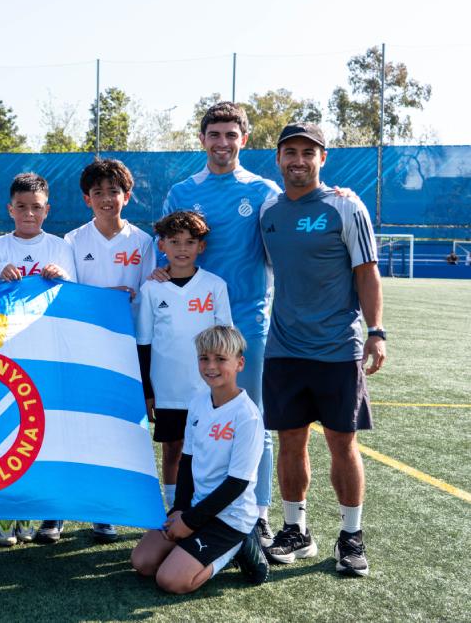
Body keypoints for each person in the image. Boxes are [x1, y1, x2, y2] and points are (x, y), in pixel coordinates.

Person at [259, 122, 385, 577]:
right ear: (278, 159)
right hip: (284, 349)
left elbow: (367, 272)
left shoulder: (345, 207)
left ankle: (351, 537)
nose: (298, 160)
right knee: (289, 441)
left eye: (307, 152)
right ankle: (297, 531)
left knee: (342, 444)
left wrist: (377, 330)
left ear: (322, 159)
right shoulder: (267, 210)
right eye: (289, 151)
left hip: (338, 348)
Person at [160, 102, 280, 544]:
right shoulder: (182, 190)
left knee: (254, 419)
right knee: (194, 422)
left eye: (232, 135)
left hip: (247, 322)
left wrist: (340, 194)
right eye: (216, 134)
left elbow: (288, 221)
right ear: (202, 139)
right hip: (193, 325)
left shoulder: (264, 190)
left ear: (243, 140)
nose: (223, 142)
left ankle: (259, 515)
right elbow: (167, 251)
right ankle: (188, 508)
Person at [57, 158, 154, 545]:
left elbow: (149, 295)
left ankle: (106, 512)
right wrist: (104, 300)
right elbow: (69, 296)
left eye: (113, 191)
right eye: (97, 192)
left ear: (126, 196)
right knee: (75, 427)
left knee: (118, 432)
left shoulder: (143, 241)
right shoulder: (73, 241)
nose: (105, 198)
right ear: (87, 198)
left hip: (127, 352)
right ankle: (60, 511)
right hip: (83, 349)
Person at [130, 325, 268, 593]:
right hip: (194, 508)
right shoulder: (198, 403)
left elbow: (236, 484)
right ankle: (192, 548)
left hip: (229, 517)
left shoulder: (247, 416)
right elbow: (187, 462)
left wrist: (190, 522)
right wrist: (181, 508)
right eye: (204, 358)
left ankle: (240, 545)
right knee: (142, 562)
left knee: (170, 580)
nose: (211, 366)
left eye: (220, 359)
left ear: (239, 363)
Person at [0, 172, 75, 547]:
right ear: (10, 209)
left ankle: (50, 514)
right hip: (8, 356)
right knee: (11, 435)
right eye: (21, 207)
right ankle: (10, 514)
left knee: (50, 433)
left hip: (49, 353)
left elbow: (76, 298)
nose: (28, 213)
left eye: (36, 207)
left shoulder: (60, 247)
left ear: (47, 210)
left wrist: (62, 278)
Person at [137, 210, 231, 511]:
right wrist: (148, 392)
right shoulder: (152, 288)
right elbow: (144, 343)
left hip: (206, 390)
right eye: (174, 242)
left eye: (190, 242)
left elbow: (226, 341)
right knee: (173, 448)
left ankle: (202, 506)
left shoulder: (214, 285)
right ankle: (173, 507)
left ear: (201, 247)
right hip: (167, 390)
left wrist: (225, 388)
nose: (182, 249)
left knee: (208, 449)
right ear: (161, 245)